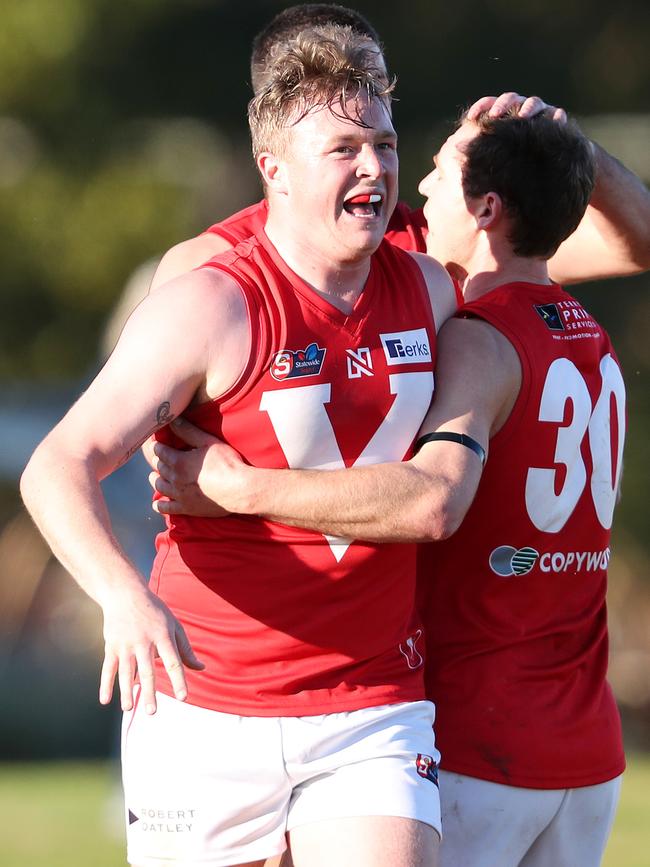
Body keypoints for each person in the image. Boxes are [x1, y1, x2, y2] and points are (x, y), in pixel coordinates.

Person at [147, 109, 634, 867]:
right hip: (586, 741)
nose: (414, 184)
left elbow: (433, 495)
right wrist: (561, 154)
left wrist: (242, 487)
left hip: (483, 729)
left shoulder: (472, 326)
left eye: (432, 169)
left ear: (485, 208)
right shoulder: (589, 333)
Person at [21, 26, 457, 867]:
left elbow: (571, 252)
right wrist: (122, 596)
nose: (373, 168)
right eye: (344, 149)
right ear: (275, 170)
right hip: (206, 699)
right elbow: (58, 462)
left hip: (372, 702)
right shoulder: (213, 303)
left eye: (384, 144)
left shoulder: (433, 284)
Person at [149, 3, 650, 292]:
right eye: (335, 100)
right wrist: (223, 474)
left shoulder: (442, 247)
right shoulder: (207, 271)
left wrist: (576, 149)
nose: (362, 106)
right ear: (276, 120)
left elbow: (639, 245)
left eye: (374, 88)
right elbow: (142, 441)